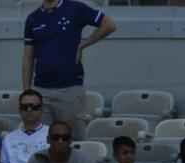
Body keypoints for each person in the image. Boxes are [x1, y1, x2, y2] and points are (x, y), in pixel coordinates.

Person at [21, 0, 115, 140]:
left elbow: (109, 24)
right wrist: (26, 92)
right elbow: (28, 58)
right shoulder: (33, 18)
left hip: (70, 90)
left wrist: (85, 43)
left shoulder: (75, 8)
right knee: (40, 142)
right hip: (41, 91)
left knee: (73, 141)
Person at [0, 89, 49, 163]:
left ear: (41, 109)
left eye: (34, 107)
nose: (29, 110)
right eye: (25, 107)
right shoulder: (9, 138)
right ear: (19, 110)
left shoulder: (52, 133)